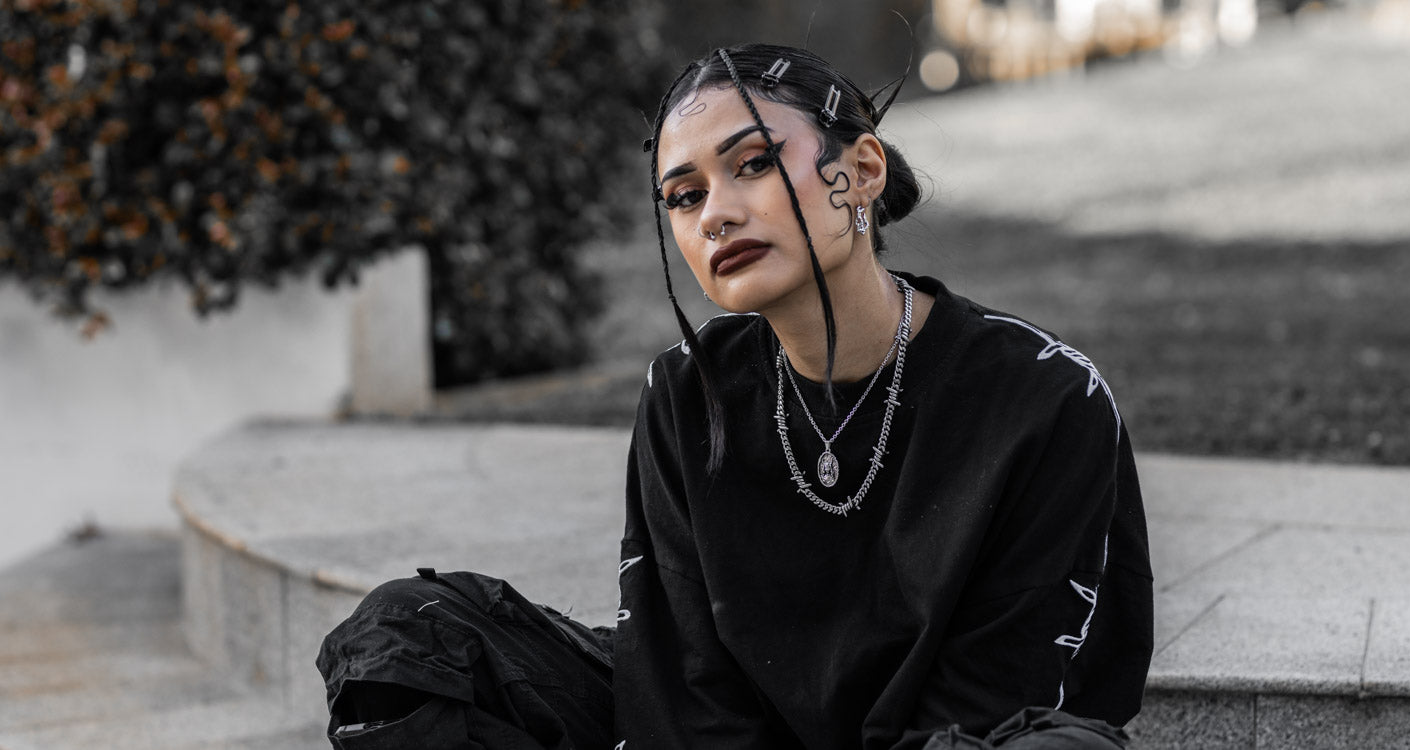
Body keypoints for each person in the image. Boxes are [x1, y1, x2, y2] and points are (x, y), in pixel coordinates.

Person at [318, 43, 1152, 750]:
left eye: (753, 163)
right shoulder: (687, 391)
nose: (715, 214)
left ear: (861, 171)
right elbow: (683, 678)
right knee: (408, 635)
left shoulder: (1042, 398)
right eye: (685, 197)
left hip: (951, 740)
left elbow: (1006, 693)